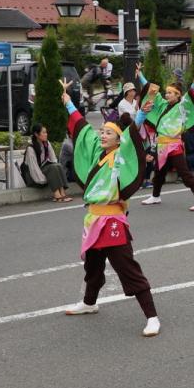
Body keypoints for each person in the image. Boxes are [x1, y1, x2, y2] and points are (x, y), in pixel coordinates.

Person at [59, 81, 160, 337]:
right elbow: (83, 129)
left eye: (108, 133)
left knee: (126, 267)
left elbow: (132, 133)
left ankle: (152, 316)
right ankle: (89, 303)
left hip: (112, 220)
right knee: (92, 265)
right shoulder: (97, 153)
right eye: (102, 131)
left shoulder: (121, 154)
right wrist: (68, 102)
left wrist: (142, 113)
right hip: (93, 219)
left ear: (118, 139)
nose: (102, 135)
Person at [139, 66, 194, 211]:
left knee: (184, 173)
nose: (167, 95)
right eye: (167, 92)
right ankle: (156, 196)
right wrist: (140, 75)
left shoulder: (181, 106)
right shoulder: (163, 105)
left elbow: (189, 96)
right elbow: (152, 90)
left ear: (177, 96)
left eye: (170, 93)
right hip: (162, 146)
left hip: (174, 145)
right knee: (159, 173)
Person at [23, 123, 72, 202]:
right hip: (33, 178)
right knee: (52, 168)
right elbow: (34, 169)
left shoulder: (46, 143)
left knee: (57, 165)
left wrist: (55, 172)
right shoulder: (31, 149)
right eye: (43, 133)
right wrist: (45, 180)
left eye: (46, 132)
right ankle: (57, 195)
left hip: (43, 171)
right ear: (36, 134)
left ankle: (62, 193)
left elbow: (53, 159)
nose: (46, 134)